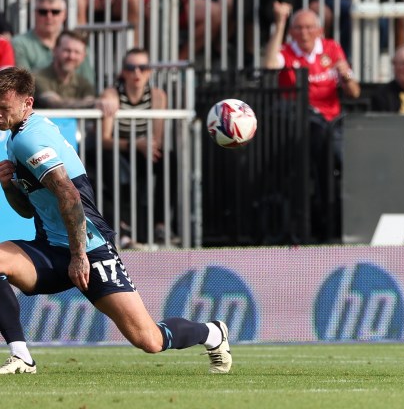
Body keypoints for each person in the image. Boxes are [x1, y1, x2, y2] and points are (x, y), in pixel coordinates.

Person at [0, 66, 232, 375]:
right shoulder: (14, 138)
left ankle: (212, 332)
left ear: (27, 103)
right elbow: (28, 211)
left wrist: (79, 255)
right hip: (52, 248)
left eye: (4, 108)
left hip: (90, 249)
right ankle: (22, 357)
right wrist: (8, 186)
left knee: (149, 339)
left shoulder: (31, 139)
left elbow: (69, 194)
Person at [263, 3, 360, 241]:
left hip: (332, 122)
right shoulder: (286, 50)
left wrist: (346, 74)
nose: (304, 33)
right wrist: (280, 23)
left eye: (309, 27)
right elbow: (267, 66)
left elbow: (354, 93)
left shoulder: (332, 49)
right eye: (298, 28)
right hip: (299, 123)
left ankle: (344, 220)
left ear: (319, 30)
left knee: (346, 158)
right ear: (291, 31)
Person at [98, 48, 174, 248]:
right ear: (123, 71)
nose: (137, 73)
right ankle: (123, 228)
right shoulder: (112, 94)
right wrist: (133, 144)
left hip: (142, 151)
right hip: (118, 151)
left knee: (168, 160)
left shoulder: (158, 96)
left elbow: (156, 138)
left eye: (143, 67)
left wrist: (144, 146)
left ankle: (161, 224)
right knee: (108, 159)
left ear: (150, 71)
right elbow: (104, 139)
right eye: (131, 68)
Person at [11, 0, 95, 86]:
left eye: (55, 12)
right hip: (38, 99)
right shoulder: (19, 43)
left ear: (64, 15)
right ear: (34, 14)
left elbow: (89, 83)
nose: (49, 16)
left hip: (77, 98)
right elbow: (25, 84)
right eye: (43, 12)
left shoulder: (78, 44)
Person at [32, 31, 114, 112]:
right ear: (55, 50)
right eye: (67, 50)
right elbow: (55, 103)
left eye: (77, 52)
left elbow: (90, 101)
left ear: (83, 57)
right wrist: (93, 103)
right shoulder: (38, 77)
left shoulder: (84, 83)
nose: (71, 56)